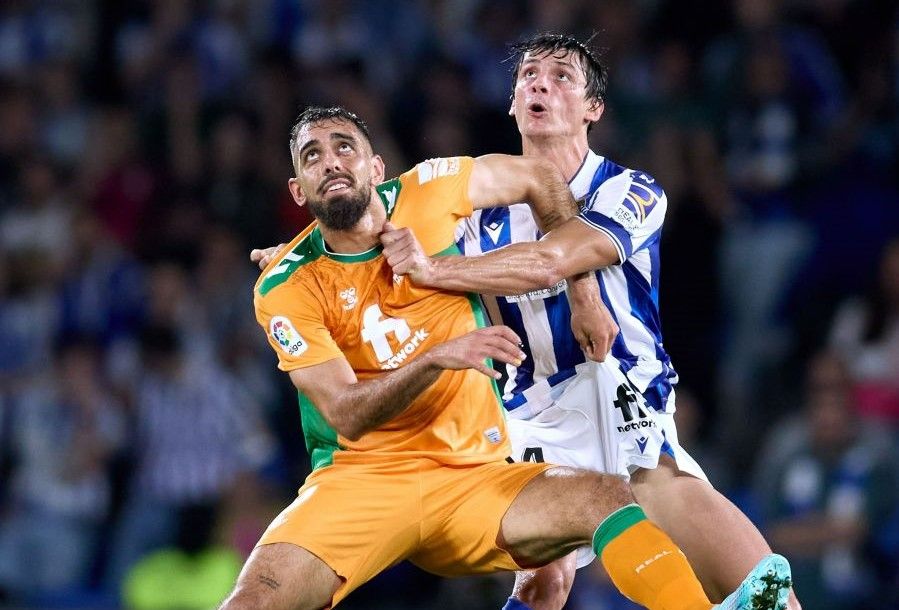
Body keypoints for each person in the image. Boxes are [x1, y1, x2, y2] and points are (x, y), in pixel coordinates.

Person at [227, 105, 791, 610]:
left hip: (474, 474)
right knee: (255, 599)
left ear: (377, 168)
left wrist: (584, 294)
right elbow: (345, 413)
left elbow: (539, 179)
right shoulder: (286, 286)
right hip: (363, 481)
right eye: (312, 156)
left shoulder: (432, 189)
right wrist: (437, 358)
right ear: (298, 191)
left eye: (344, 146)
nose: (331, 162)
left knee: (599, 502)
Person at [377, 33, 802, 610]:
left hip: (623, 400)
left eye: (562, 77)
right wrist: (297, 253)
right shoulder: (473, 210)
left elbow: (555, 256)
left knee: (765, 591)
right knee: (543, 585)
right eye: (528, 74)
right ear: (511, 101)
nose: (539, 84)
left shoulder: (633, 190)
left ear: (592, 108)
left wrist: (435, 269)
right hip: (534, 416)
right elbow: (371, 231)